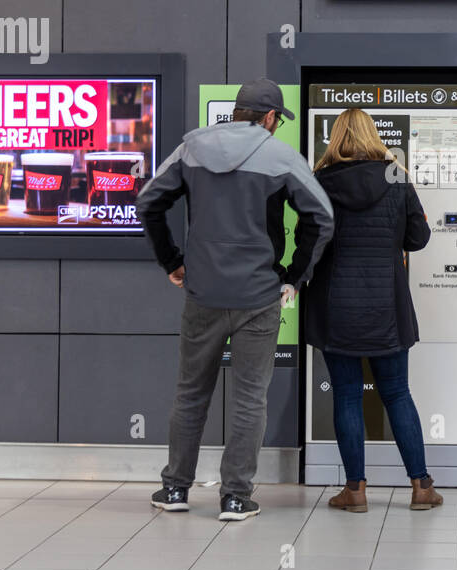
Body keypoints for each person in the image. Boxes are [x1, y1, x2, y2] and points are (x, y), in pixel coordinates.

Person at [137, 79, 333, 522]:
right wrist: (294, 276)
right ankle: (235, 497)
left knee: (191, 393)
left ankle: (175, 488)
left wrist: (172, 260)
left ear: (237, 112)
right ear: (270, 117)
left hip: (202, 294)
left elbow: (148, 203)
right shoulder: (281, 156)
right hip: (258, 296)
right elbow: (322, 217)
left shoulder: (191, 149)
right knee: (249, 399)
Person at [293, 107, 443, 512]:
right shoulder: (397, 178)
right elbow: (419, 238)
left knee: (346, 396)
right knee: (397, 393)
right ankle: (421, 487)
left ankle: (355, 491)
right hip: (387, 308)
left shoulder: (319, 182)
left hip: (335, 308)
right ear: (373, 136)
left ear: (336, 138)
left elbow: (308, 242)